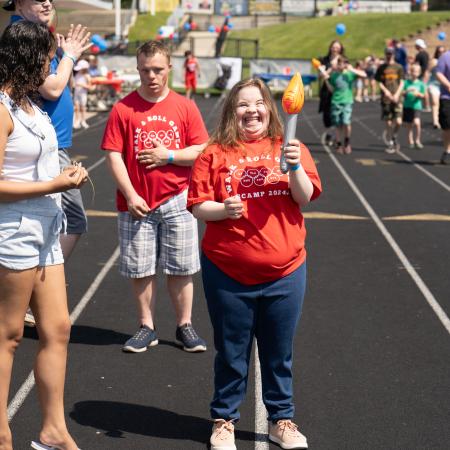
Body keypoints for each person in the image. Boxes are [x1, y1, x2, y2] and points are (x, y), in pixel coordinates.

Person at [187, 78, 322, 450]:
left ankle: (282, 420)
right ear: (232, 111)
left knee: (279, 352)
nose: (251, 111)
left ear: (270, 108)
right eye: (243, 105)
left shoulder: (290, 147)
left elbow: (305, 196)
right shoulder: (214, 153)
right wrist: (223, 209)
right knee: (232, 352)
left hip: (286, 271)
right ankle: (224, 420)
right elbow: (199, 206)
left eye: (258, 103)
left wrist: (294, 167)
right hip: (228, 272)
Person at [0, 20, 88, 450]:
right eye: (47, 58)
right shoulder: (0, 109)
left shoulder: (31, 108)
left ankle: (53, 430)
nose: (51, 66)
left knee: (57, 329)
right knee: (8, 335)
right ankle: (0, 433)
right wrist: (54, 184)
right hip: (12, 234)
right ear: (28, 58)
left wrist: (65, 174)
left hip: (46, 231)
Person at [101, 40, 209, 353]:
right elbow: (112, 155)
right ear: (137, 70)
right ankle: (146, 326)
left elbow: (201, 149)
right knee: (140, 268)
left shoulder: (185, 106)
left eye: (158, 69)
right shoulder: (123, 108)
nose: (152, 75)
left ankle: (185, 325)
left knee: (181, 267)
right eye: (146, 69)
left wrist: (169, 155)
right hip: (137, 203)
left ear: (169, 69)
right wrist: (130, 193)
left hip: (177, 198)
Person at [3, 0, 92, 327]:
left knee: (63, 220)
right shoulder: (21, 36)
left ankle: (33, 287)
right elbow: (53, 88)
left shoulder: (42, 34)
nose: (47, 3)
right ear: (19, 3)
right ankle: (30, 289)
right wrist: (69, 57)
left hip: (50, 142)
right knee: (70, 219)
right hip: (39, 147)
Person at [321, 56, 367, 154]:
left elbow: (364, 75)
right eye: (339, 63)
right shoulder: (334, 75)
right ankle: (338, 143)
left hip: (347, 101)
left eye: (343, 63)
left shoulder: (350, 74)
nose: (341, 65)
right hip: (336, 101)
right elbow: (332, 89)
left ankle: (347, 141)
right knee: (338, 124)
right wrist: (326, 81)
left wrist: (351, 69)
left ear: (345, 64)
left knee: (346, 122)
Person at [375, 46, 405, 153]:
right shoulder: (381, 68)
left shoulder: (399, 67)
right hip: (386, 98)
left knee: (398, 121)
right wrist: (385, 91)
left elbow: (402, 82)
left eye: (391, 54)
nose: (389, 56)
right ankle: (391, 142)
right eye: (387, 53)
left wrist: (397, 94)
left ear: (394, 54)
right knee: (388, 122)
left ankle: (394, 136)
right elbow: (378, 81)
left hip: (397, 97)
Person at [318, 39, 345, 146]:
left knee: (337, 114)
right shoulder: (325, 60)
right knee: (326, 113)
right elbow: (320, 75)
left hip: (338, 89)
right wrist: (328, 70)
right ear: (330, 48)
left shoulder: (343, 60)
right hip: (326, 88)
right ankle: (329, 133)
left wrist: (335, 68)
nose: (335, 49)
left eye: (337, 47)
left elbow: (345, 72)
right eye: (333, 47)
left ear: (340, 49)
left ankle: (336, 136)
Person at [402, 63, 426, 149]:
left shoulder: (421, 84)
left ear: (419, 73)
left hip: (416, 106)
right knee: (409, 125)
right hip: (407, 106)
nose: (414, 73)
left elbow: (424, 95)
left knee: (417, 123)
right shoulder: (406, 82)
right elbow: (402, 93)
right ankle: (410, 140)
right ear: (410, 72)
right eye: (413, 71)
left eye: (416, 71)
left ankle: (417, 140)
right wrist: (407, 91)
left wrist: (418, 94)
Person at [435, 48, 450, 164]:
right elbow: (439, 73)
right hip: (447, 97)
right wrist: (448, 85)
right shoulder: (445, 57)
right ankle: (447, 150)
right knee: (447, 126)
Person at [428, 45, 445, 129]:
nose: (441, 54)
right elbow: (428, 71)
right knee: (435, 102)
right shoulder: (434, 61)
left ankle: (441, 119)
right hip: (433, 84)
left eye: (442, 52)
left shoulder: (446, 60)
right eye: (439, 52)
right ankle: (435, 121)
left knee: (442, 103)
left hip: (443, 85)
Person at [73, 59, 92, 129]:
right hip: (77, 93)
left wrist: (82, 85)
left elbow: (90, 86)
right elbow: (74, 83)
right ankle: (77, 120)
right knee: (76, 108)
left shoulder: (87, 76)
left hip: (83, 94)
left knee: (83, 108)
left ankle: (83, 120)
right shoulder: (77, 74)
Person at [414, 38, 431, 111]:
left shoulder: (419, 55)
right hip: (426, 73)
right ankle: (426, 105)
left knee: (424, 90)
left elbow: (418, 66)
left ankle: (427, 106)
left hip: (423, 74)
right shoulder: (426, 53)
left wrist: (420, 75)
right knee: (424, 89)